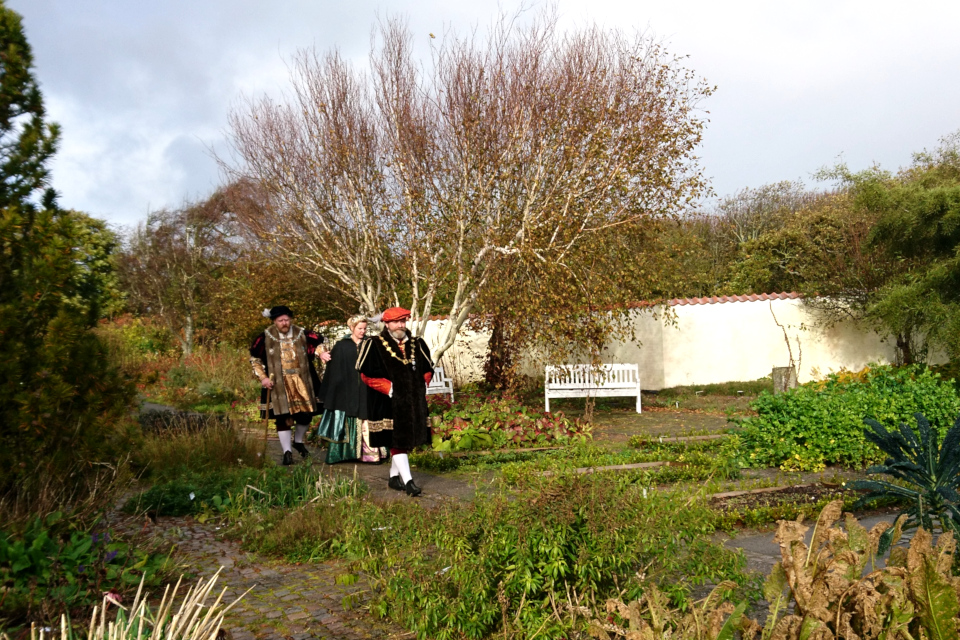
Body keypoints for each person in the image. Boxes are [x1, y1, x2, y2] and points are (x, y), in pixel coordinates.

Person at [356, 307, 434, 496]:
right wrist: (390, 389)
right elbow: (365, 374)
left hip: (413, 401)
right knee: (397, 440)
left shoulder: (417, 343)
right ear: (386, 323)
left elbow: (427, 367)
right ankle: (409, 482)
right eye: (396, 321)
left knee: (404, 441)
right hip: (387, 400)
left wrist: (422, 383)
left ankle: (393, 478)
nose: (400, 325)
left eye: (403, 321)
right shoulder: (373, 344)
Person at [249, 305, 332, 465]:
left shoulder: (303, 333)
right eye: (280, 320)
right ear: (274, 321)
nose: (284, 323)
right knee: (283, 417)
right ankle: (287, 452)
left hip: (303, 381)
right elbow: (255, 360)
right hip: (278, 384)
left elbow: (318, 345)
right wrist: (263, 378)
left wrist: (321, 352)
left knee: (306, 414)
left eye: (287, 319)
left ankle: (298, 442)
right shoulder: (264, 337)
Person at [316, 315, 388, 464]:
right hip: (346, 389)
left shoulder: (370, 344)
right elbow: (333, 367)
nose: (362, 331)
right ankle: (343, 454)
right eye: (359, 328)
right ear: (352, 328)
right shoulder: (342, 346)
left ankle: (370, 454)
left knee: (366, 417)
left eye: (364, 328)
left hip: (366, 388)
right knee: (345, 417)